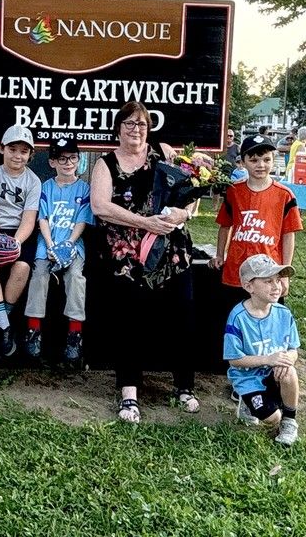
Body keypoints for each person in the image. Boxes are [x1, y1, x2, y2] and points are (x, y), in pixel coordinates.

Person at [90, 101, 199, 423]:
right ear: (118, 128)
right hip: (128, 255)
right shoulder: (105, 164)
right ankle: (129, 394)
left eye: (141, 124)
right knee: (129, 323)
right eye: (129, 124)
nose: (135, 130)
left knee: (183, 315)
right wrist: (144, 223)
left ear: (148, 128)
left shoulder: (165, 155)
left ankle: (184, 388)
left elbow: (189, 198)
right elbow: (100, 206)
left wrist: (182, 213)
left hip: (171, 251)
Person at [210, 133, 303, 378]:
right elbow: (224, 225)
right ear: (242, 162)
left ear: (273, 161)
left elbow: (288, 233)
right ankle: (235, 369)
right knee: (235, 321)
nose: (260, 165)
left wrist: (284, 273)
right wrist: (220, 255)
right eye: (254, 160)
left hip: (268, 272)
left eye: (266, 159)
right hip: (237, 270)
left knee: (267, 322)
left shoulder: (284, 195)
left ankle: (268, 371)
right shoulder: (234, 192)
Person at [23, 135, 95, 364]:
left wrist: (68, 244)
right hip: (48, 243)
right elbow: (42, 218)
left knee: (75, 277)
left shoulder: (84, 188)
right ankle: (33, 331)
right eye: (62, 158)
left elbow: (81, 221)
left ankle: (75, 334)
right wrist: (52, 245)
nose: (68, 163)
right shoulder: (46, 187)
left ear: (79, 160)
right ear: (52, 162)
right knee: (39, 275)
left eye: (73, 157)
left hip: (73, 244)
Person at [0, 125, 42, 358]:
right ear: (1, 148)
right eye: (12, 149)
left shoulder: (33, 182)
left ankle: (0, 319)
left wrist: (14, 243)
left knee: (22, 266)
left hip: (20, 233)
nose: (17, 155)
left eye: (24, 151)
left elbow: (28, 219)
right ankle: (4, 327)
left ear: (30, 155)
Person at [223, 254, 302, 446]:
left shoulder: (283, 313)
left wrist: (286, 359)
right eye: (268, 281)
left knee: (289, 371)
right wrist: (269, 359)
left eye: (278, 280)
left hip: (274, 371)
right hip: (248, 377)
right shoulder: (238, 317)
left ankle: (290, 421)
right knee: (271, 418)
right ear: (249, 286)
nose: (276, 286)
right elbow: (234, 360)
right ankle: (248, 402)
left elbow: (293, 350)